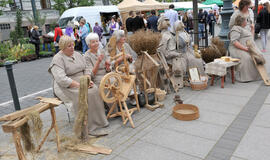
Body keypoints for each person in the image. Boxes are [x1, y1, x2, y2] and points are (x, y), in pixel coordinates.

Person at [48, 35, 109, 136]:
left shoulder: (77, 54)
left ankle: (100, 122)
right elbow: (61, 79)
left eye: (73, 45)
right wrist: (79, 85)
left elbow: (87, 68)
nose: (72, 47)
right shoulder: (57, 59)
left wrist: (87, 79)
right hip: (66, 86)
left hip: (82, 80)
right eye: (69, 46)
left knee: (94, 90)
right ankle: (87, 128)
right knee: (84, 95)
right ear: (62, 47)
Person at [229, 15, 261, 82]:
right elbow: (234, 42)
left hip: (247, 47)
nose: (247, 22)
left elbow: (250, 38)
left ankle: (255, 76)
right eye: (246, 20)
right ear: (242, 22)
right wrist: (245, 49)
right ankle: (246, 77)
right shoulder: (236, 28)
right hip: (237, 49)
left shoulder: (244, 28)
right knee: (247, 58)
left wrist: (252, 29)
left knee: (259, 56)